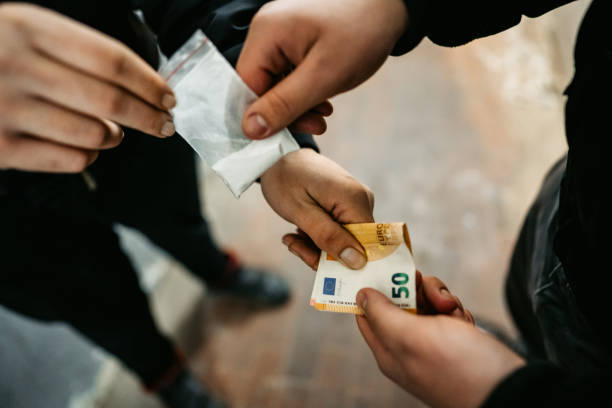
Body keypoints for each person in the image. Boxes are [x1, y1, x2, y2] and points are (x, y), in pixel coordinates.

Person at [235, 0, 612, 406]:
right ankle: (521, 353)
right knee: (532, 307)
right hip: (579, 187)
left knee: (563, 346)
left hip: (600, 326)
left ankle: (520, 360)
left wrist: (506, 392)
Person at [0, 2, 376, 407]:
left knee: (179, 218)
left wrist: (274, 149)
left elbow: (188, 6)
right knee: (88, 300)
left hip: (138, 114)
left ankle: (217, 271)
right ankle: (164, 373)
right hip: (11, 215)